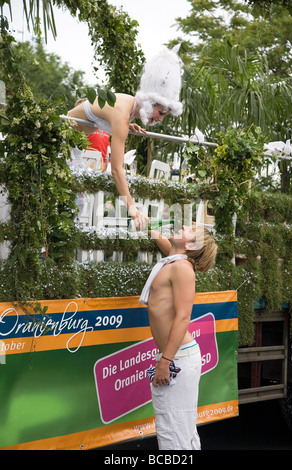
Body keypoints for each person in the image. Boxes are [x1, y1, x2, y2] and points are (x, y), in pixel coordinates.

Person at [67, 45, 183, 230]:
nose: (160, 118)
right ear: (149, 102)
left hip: (75, 147)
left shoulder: (128, 109)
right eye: (160, 112)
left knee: (78, 206)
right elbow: (116, 170)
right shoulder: (123, 113)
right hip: (65, 145)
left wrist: (127, 125)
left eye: (164, 115)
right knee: (71, 206)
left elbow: (104, 114)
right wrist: (133, 209)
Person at [139, 225, 218, 450]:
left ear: (191, 245)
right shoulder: (173, 261)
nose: (183, 226)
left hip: (176, 359)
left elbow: (183, 317)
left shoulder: (182, 268)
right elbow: (149, 228)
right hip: (176, 357)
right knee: (177, 430)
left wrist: (165, 361)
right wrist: (128, 200)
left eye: (189, 230)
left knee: (174, 432)